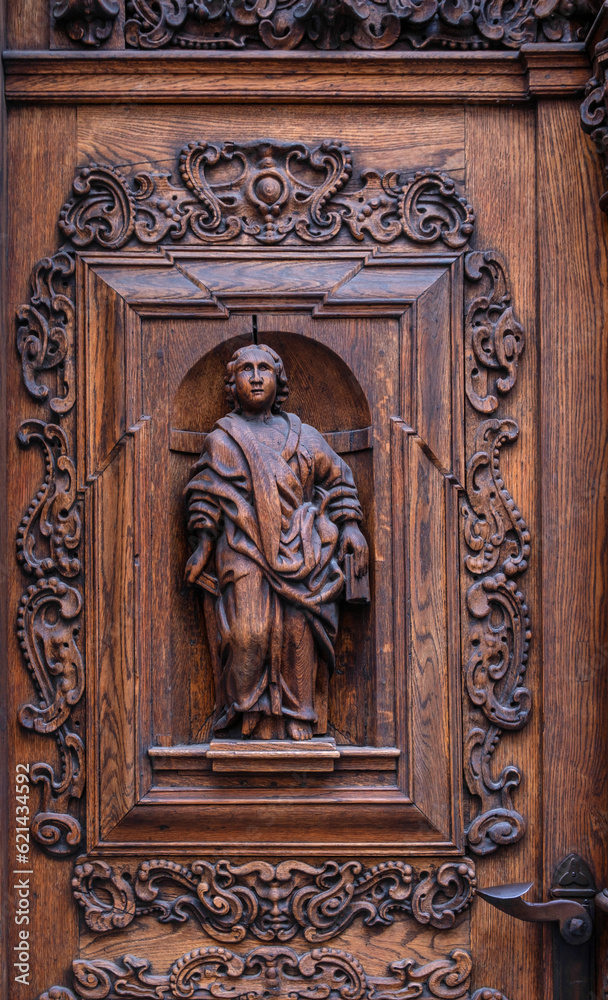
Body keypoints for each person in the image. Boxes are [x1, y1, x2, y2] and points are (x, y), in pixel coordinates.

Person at [184, 343, 369, 741]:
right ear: (232, 383)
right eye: (246, 370)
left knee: (297, 631)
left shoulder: (307, 438)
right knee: (247, 632)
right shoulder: (223, 440)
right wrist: (202, 546)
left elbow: (338, 480)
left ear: (277, 380)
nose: (254, 376)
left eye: (264, 369)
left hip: (302, 549)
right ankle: (246, 714)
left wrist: (350, 526)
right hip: (243, 548)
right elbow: (204, 494)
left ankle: (298, 716)